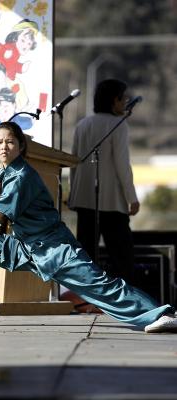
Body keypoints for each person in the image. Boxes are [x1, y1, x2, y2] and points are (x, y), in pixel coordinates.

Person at [0, 121, 177, 333]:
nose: (4, 147)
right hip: (24, 247)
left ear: (21, 146)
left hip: (55, 248)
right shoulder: (3, 172)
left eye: (10, 142)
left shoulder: (21, 177)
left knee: (99, 285)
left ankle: (160, 314)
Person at [68, 79, 140, 284]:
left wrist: (73, 195)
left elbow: (74, 162)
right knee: (122, 256)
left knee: (87, 257)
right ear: (113, 100)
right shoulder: (118, 125)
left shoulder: (82, 124)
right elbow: (122, 166)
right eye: (122, 98)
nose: (125, 102)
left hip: (83, 200)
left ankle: (87, 299)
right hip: (112, 202)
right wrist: (132, 198)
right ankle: (126, 300)